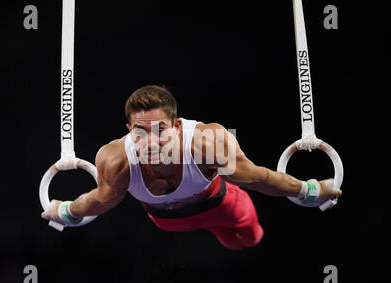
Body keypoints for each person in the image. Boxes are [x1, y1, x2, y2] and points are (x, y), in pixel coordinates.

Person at [42, 85, 342, 250]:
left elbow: (260, 178)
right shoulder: (114, 158)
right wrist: (66, 211)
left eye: (160, 130)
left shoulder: (207, 142)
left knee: (246, 241)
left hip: (223, 205)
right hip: (166, 220)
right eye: (139, 131)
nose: (150, 142)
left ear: (177, 125)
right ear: (128, 128)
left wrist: (309, 190)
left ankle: (244, 235)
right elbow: (100, 200)